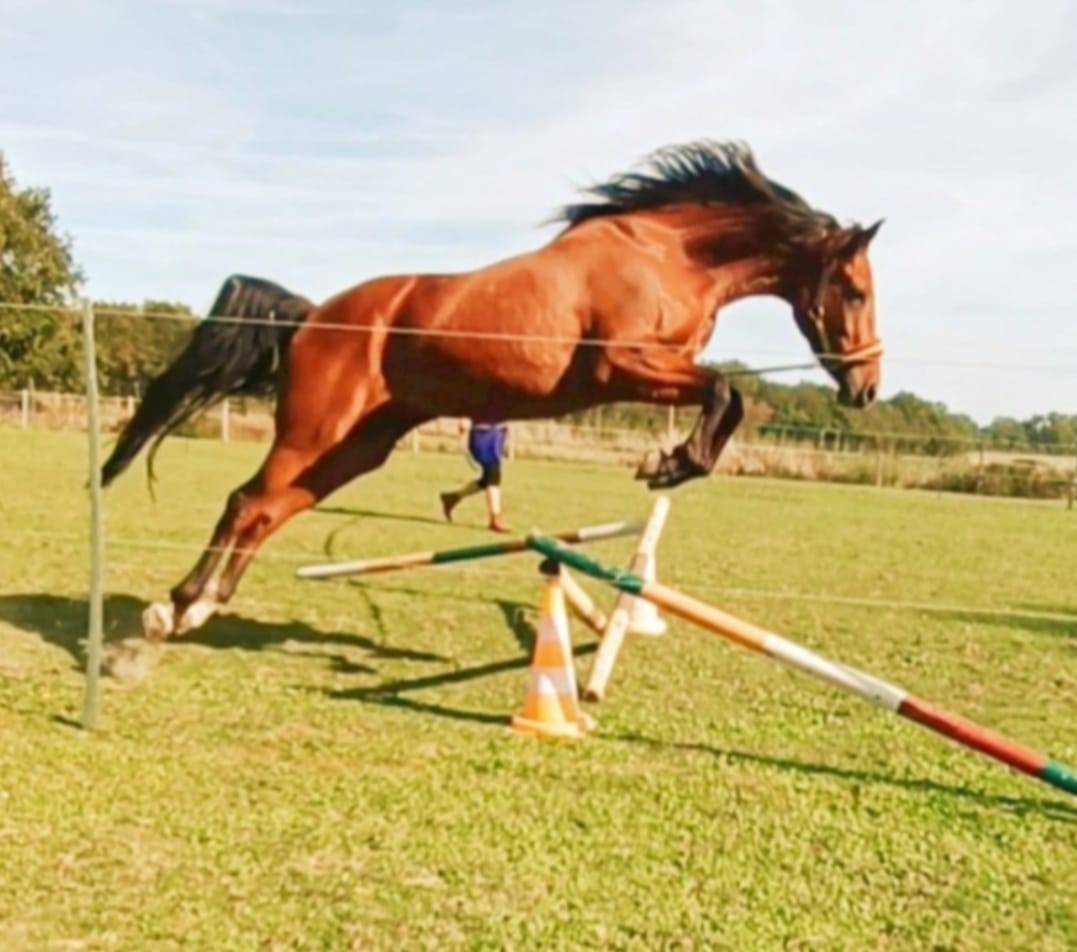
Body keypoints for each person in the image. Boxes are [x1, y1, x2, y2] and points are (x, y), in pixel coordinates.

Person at [440, 420, 510, 533]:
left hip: (497, 433)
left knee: (488, 479)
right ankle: (494, 519)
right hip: (482, 434)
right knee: (493, 474)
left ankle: (452, 497)